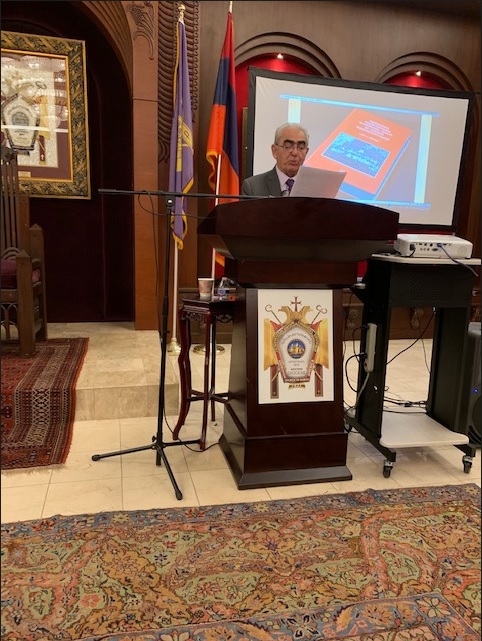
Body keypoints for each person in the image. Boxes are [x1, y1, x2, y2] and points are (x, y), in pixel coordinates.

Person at [241, 122, 310, 197]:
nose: (295, 153)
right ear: (275, 151)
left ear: (306, 152)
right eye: (288, 146)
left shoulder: (314, 187)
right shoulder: (253, 188)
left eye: (301, 147)